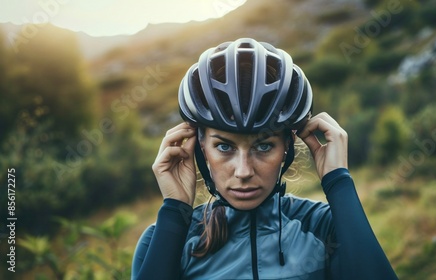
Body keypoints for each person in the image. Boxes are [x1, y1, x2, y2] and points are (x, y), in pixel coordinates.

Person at [131, 38, 398, 280]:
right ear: (200, 146)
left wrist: (338, 182)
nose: (244, 171)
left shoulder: (324, 226)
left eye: (264, 146)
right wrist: (175, 211)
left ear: (287, 146)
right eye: (224, 147)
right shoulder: (165, 239)